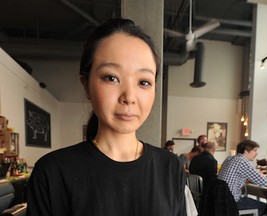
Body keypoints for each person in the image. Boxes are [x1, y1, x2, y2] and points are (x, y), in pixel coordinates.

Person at [26, 18, 186, 216]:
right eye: (111, 78)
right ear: (86, 85)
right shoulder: (52, 172)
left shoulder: (170, 167)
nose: (129, 97)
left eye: (143, 82)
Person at [218, 140, 267, 215]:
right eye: (254, 150)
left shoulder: (229, 158)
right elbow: (265, 182)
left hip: (221, 200)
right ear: (246, 151)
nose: (257, 153)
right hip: (233, 202)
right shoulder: (242, 161)